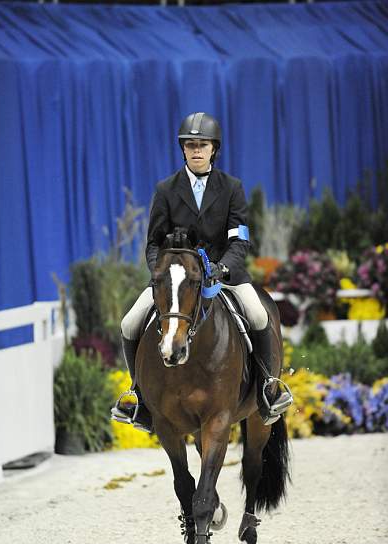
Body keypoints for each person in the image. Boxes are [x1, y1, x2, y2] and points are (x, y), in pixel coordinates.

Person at [116, 112, 292, 433]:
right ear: (183, 149)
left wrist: (223, 268)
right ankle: (138, 395)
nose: (197, 151)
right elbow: (154, 241)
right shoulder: (166, 190)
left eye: (203, 145)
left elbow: (240, 240)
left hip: (223, 275)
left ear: (214, 149)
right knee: (130, 322)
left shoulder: (232, 188)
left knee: (258, 314)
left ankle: (268, 387)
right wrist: (160, 272)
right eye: (191, 145)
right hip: (177, 281)